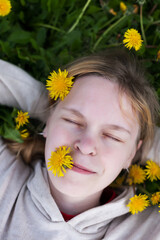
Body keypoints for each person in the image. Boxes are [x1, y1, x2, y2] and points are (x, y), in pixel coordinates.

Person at [0, 49, 160, 240]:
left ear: (131, 154)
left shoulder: (147, 231)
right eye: (73, 121)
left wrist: (146, 145)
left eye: (112, 136)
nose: (85, 146)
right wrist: (41, 103)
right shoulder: (4, 174)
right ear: (49, 123)